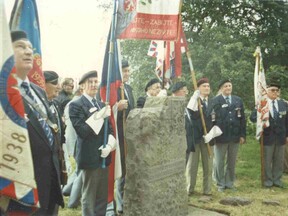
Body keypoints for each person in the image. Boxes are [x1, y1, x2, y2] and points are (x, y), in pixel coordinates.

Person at [8, 30, 64, 215]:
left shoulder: (38, 91)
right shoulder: (4, 94)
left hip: (50, 181)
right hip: (22, 187)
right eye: (20, 46)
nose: (28, 51)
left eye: (30, 48)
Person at [69, 70, 116, 216]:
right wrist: (99, 116)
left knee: (102, 196)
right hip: (89, 157)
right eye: (90, 82)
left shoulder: (102, 104)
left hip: (103, 156)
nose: (94, 85)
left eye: (96, 82)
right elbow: (82, 131)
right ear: (82, 86)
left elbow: (110, 131)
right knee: (89, 196)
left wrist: (109, 145)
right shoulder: (76, 105)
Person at [208, 79, 246, 192]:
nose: (228, 88)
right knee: (219, 161)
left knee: (232, 160)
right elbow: (212, 120)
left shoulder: (238, 100)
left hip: (234, 136)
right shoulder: (215, 101)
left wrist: (242, 135)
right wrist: (213, 136)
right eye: (225, 86)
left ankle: (229, 182)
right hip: (221, 136)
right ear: (221, 88)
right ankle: (220, 183)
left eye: (230, 86)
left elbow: (242, 119)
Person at [250, 82, 288, 187]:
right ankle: (267, 180)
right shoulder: (262, 103)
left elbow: (287, 121)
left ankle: (277, 180)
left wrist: (287, 135)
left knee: (279, 160)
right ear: (267, 91)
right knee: (267, 160)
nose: (275, 92)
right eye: (272, 90)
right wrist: (259, 111)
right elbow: (252, 118)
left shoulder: (283, 104)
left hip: (280, 137)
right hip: (267, 137)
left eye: (277, 90)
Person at [184, 78, 213, 196]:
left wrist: (212, 134)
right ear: (198, 88)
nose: (207, 88)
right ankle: (190, 189)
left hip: (208, 137)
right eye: (204, 86)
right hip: (196, 137)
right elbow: (189, 112)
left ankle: (207, 190)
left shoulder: (212, 102)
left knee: (208, 165)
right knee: (192, 165)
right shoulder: (195, 101)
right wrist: (194, 97)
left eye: (208, 86)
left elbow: (216, 119)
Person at [115, 60, 135, 215]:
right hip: (118, 134)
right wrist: (117, 107)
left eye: (128, 70)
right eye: (124, 71)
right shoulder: (113, 89)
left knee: (129, 167)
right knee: (120, 168)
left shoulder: (128, 88)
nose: (127, 73)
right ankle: (120, 202)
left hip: (130, 133)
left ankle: (128, 198)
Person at [43, 70, 67, 186]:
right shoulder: (38, 107)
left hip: (57, 156)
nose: (58, 86)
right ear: (43, 84)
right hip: (44, 160)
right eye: (54, 83)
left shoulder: (56, 104)